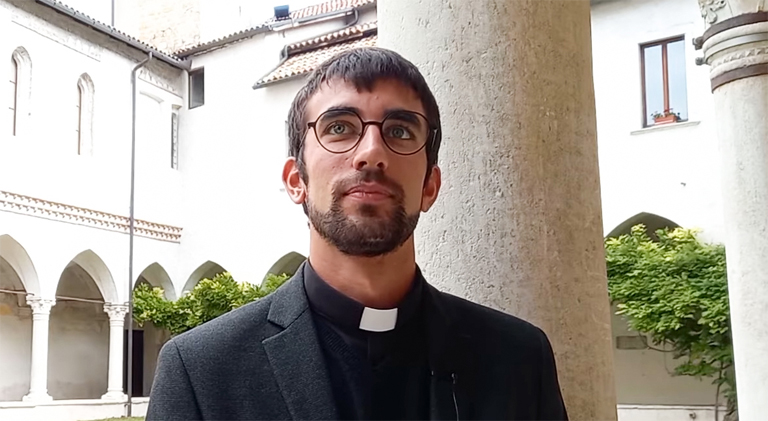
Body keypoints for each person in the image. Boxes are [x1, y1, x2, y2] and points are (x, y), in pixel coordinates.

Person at [146, 46, 568, 421]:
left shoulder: (517, 359)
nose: (371, 153)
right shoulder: (202, 372)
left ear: (430, 186)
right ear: (296, 180)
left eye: (400, 131)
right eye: (339, 128)